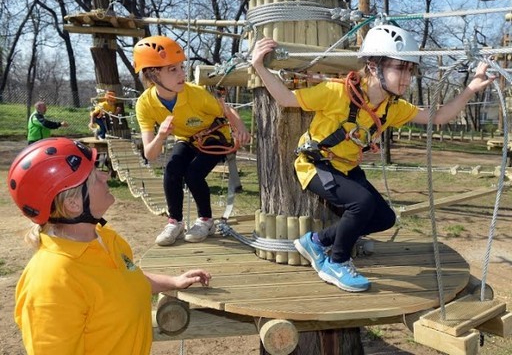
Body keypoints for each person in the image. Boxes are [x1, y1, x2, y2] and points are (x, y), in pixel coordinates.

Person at [250, 24, 495, 292]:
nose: (406, 77)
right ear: (374, 66)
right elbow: (286, 99)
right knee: (362, 203)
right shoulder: (337, 92)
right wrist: (260, 67)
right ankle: (336, 261)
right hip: (316, 165)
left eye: (409, 70)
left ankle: (317, 241)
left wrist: (470, 88)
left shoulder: (393, 107)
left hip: (346, 168)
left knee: (383, 219)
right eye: (399, 68)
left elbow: (438, 116)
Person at [7, 137, 211, 354]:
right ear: (73, 204)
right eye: (94, 176)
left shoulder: (105, 238)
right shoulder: (52, 282)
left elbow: (125, 278)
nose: (105, 176)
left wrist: (173, 282)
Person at [133, 35, 251, 246]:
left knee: (193, 173)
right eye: (173, 69)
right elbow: (150, 155)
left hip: (215, 135)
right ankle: (175, 222)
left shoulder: (195, 94)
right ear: (153, 74)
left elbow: (226, 109)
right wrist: (161, 135)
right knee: (172, 168)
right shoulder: (144, 104)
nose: (182, 73)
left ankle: (206, 220)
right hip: (187, 137)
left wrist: (240, 127)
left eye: (181, 67)